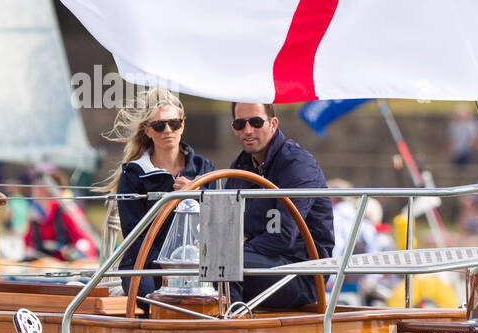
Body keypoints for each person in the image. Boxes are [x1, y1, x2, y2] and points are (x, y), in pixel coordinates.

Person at [102, 89, 213, 307]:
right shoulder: (134, 174)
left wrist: (198, 195)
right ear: (148, 131)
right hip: (144, 264)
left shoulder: (204, 168)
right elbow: (135, 238)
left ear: (183, 126)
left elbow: (221, 221)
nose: (168, 130)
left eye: (174, 123)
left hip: (197, 262)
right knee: (154, 301)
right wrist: (167, 272)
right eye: (159, 125)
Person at [225, 102, 334, 310]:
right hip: (266, 262)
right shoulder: (242, 165)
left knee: (226, 263)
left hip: (303, 273)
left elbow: (283, 237)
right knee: (190, 264)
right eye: (240, 124)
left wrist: (231, 251)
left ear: (273, 124)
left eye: (256, 122)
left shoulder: (297, 165)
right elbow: (228, 220)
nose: (248, 130)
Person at [24, 165, 98, 262]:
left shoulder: (68, 210)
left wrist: (76, 253)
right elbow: (29, 242)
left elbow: (84, 241)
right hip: (44, 266)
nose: (34, 190)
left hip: (68, 268)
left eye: (39, 187)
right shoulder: (35, 214)